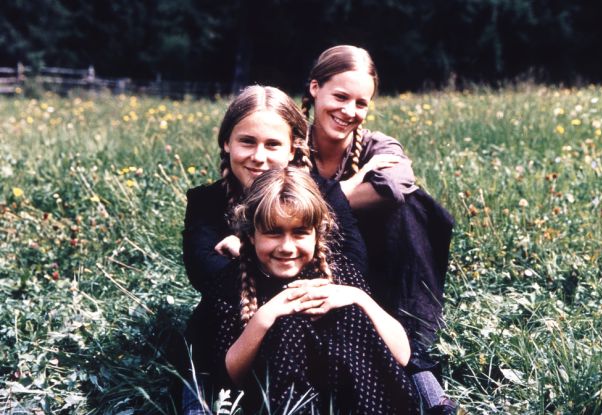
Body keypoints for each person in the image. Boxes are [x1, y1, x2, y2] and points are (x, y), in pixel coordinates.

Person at [185, 167, 421, 414]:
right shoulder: (231, 283)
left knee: (350, 314)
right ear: (252, 235)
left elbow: (403, 356)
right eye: (273, 232)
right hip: (277, 399)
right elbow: (226, 378)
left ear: (317, 234)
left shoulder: (341, 274)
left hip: (353, 399)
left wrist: (358, 297)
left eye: (299, 233)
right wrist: (265, 317)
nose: (287, 247)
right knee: (288, 326)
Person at [302, 45, 457, 414]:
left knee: (414, 206)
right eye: (339, 97)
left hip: (374, 261)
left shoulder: (378, 144)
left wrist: (313, 206)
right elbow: (275, 208)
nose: (349, 112)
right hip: (304, 258)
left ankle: (413, 345)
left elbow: (398, 184)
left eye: (361, 103)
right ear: (314, 88)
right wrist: (353, 186)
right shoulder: (290, 143)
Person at [182, 85, 366, 295]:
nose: (259, 157)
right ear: (226, 143)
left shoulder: (325, 194)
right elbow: (206, 275)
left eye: (272, 145)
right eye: (247, 142)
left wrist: (247, 255)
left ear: (291, 150)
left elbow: (353, 267)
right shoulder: (205, 201)